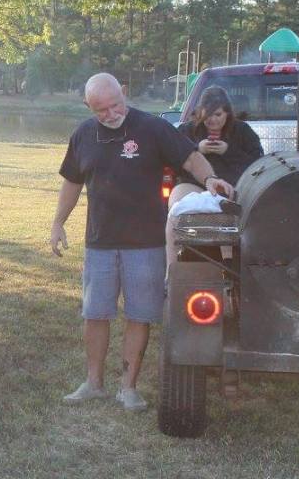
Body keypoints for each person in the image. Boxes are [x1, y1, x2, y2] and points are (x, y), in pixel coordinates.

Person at [50, 74, 234, 411]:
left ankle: (128, 387)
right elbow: (72, 182)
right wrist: (58, 223)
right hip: (100, 242)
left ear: (124, 93)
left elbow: (190, 157)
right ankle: (93, 383)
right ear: (88, 106)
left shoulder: (152, 128)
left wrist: (209, 178)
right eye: (101, 110)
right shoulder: (83, 135)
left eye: (115, 105)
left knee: (139, 315)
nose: (111, 114)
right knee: (95, 314)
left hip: (145, 243)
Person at [166, 85, 263, 261]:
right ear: (200, 113)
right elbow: (172, 163)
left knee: (228, 215)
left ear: (227, 113)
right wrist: (197, 150)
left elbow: (257, 165)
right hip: (193, 184)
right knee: (174, 211)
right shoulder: (187, 130)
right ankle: (172, 267)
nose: (213, 120)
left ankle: (229, 265)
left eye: (218, 115)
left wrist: (228, 151)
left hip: (231, 185)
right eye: (207, 115)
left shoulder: (242, 131)